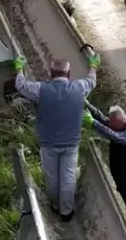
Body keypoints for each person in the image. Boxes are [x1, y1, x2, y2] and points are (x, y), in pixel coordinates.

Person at [13, 50, 100, 222]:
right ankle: (66, 211)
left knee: (51, 177)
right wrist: (93, 65)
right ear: (69, 74)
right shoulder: (78, 88)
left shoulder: (41, 90)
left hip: (48, 142)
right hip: (71, 142)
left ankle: (55, 205)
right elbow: (92, 81)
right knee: (68, 177)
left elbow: (21, 85)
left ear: (50, 74)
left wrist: (19, 69)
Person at [84, 103, 126, 229]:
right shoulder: (119, 125)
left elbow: (115, 136)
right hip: (122, 175)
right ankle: (123, 226)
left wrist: (93, 123)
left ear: (120, 120)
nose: (110, 126)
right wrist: (88, 105)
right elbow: (103, 120)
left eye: (112, 124)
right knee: (122, 202)